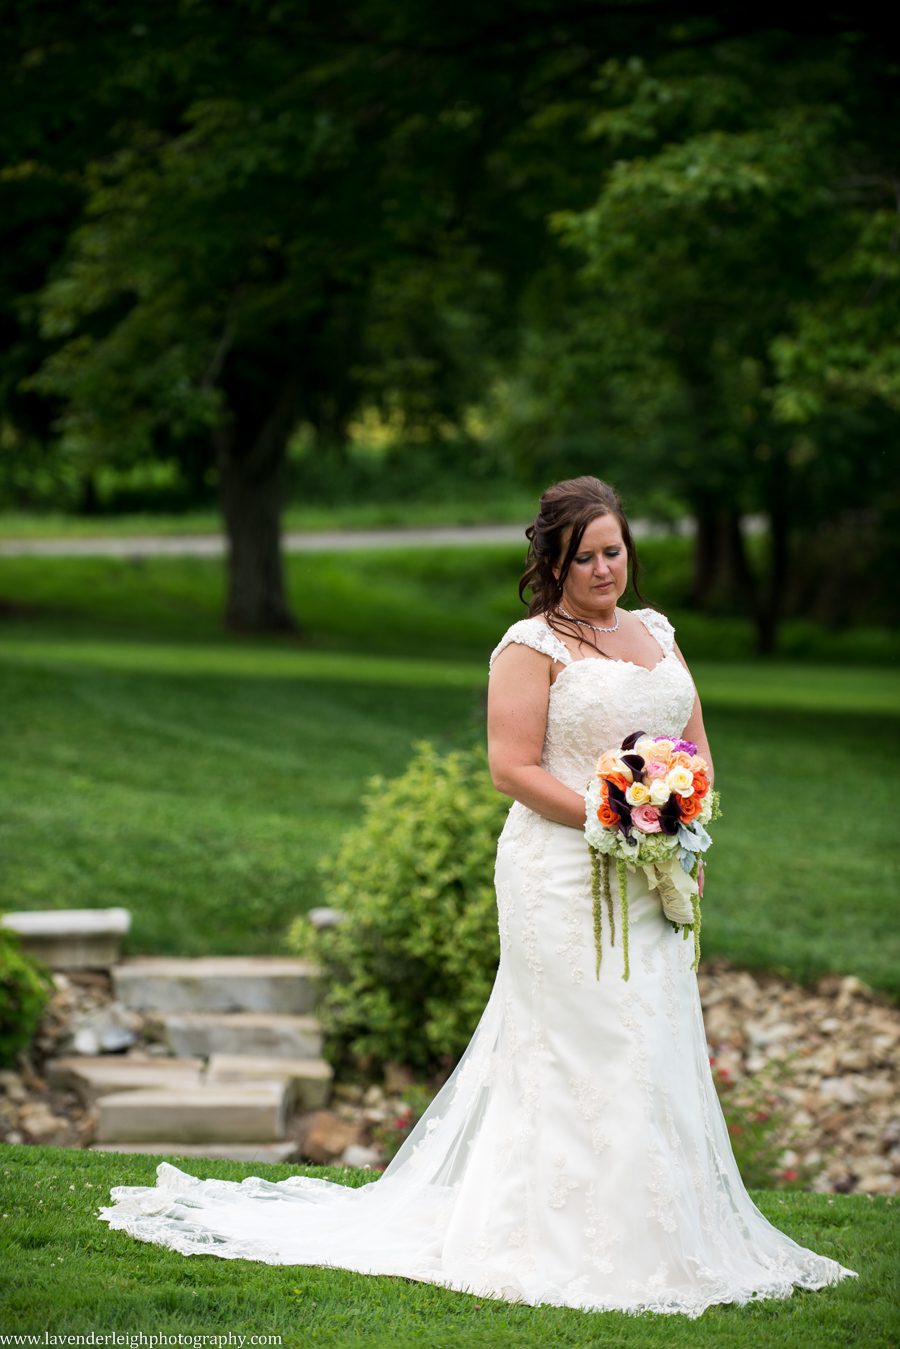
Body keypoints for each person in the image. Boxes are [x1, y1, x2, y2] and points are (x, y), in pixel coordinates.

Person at [96, 476, 856, 1316]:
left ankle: (657, 1230)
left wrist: (681, 828)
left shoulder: (659, 631)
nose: (604, 569)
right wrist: (616, 816)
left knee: (650, 1037)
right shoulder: (531, 646)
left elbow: (695, 746)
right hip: (559, 873)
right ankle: (556, 1235)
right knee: (584, 1043)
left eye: (613, 551)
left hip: (652, 876)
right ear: (553, 563)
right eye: (584, 557)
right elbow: (511, 767)